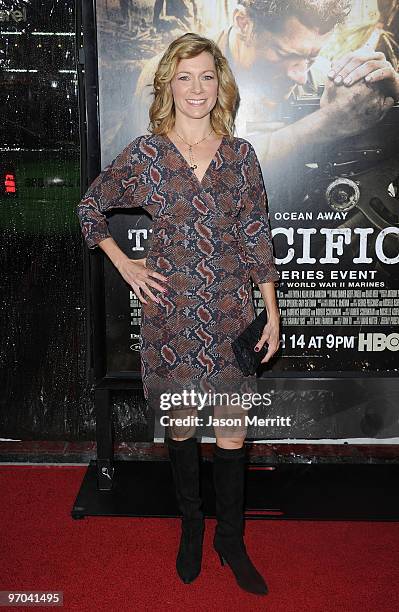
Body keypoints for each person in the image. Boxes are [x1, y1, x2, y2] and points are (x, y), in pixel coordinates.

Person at [76, 32, 280, 596]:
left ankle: (231, 540)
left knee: (232, 433)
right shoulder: (147, 153)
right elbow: (90, 207)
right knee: (184, 427)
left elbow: (256, 237)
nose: (197, 88)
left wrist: (272, 314)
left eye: (207, 76)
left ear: (222, 85)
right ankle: (192, 530)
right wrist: (127, 265)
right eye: (185, 76)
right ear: (169, 82)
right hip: (170, 321)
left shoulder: (240, 155)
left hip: (232, 316)